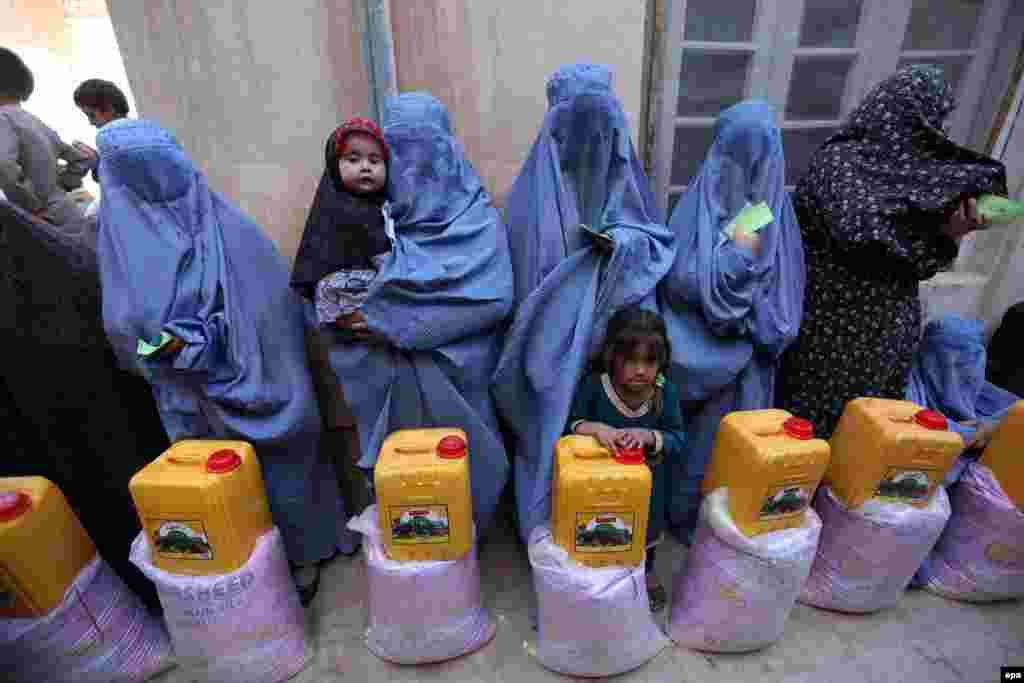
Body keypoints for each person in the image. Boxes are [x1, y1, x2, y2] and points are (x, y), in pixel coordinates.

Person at [95, 118, 343, 605]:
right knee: (227, 486)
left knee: (273, 473)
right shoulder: (128, 238)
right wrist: (173, 350)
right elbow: (130, 340)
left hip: (245, 389)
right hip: (199, 393)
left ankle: (296, 556)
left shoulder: (227, 234)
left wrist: (195, 348)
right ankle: (265, 566)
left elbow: (274, 319)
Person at [296, 92, 514, 535]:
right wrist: (364, 322)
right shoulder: (364, 216)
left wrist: (395, 323)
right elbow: (327, 295)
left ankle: (467, 545)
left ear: (448, 149)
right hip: (382, 378)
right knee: (407, 484)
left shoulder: (476, 217)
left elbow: (494, 297)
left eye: (427, 149)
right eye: (402, 152)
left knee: (468, 471)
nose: (416, 167)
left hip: (461, 373)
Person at [492, 63, 675, 544]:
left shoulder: (628, 181)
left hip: (620, 346)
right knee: (549, 434)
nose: (591, 138)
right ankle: (546, 531)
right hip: (547, 350)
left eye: (602, 124)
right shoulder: (529, 199)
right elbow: (522, 286)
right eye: (578, 124)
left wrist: (625, 247)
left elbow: (655, 243)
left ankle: (614, 535)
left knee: (616, 450)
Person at [777, 65, 1007, 438]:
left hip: (885, 337)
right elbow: (867, 240)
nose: (936, 131)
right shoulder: (841, 162)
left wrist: (953, 230)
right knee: (813, 435)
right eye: (930, 119)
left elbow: (912, 256)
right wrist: (943, 233)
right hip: (833, 332)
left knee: (868, 438)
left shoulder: (911, 175)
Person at [655, 100, 805, 544]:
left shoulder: (767, 219)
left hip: (734, 376)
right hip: (698, 368)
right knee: (691, 459)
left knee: (719, 459)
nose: (742, 166)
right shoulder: (706, 209)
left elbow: (779, 321)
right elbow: (677, 278)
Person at [565, 306, 685, 612]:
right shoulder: (595, 386)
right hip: (599, 484)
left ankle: (645, 573)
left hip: (649, 487)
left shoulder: (665, 392)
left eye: (649, 361)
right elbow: (573, 424)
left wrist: (647, 436)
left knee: (645, 529)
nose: (640, 370)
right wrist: (598, 430)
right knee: (603, 528)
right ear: (612, 357)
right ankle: (602, 570)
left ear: (662, 362)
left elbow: (677, 438)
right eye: (631, 361)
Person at [292, 117, 391, 330]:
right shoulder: (342, 206)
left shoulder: (384, 205)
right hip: (345, 297)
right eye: (353, 160)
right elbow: (383, 257)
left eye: (374, 161)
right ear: (334, 165)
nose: (365, 167)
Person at [0, 47, 90, 225]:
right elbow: (81, 160)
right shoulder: (35, 121)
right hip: (68, 213)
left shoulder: (3, 119)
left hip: (44, 221)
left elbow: (4, 165)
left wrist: (32, 207)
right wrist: (61, 184)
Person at [71, 78, 131, 184]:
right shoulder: (151, 132)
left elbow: (120, 184)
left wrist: (97, 163)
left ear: (109, 110)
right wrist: (97, 161)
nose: (91, 122)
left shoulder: (110, 138)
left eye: (91, 115)